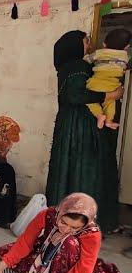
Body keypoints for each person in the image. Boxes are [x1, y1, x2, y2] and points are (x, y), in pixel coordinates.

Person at [0, 193, 124, 273]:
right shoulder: (47, 215)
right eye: (63, 222)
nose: (66, 229)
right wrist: (3, 265)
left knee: (69, 242)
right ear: (60, 212)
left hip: (69, 268)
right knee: (7, 254)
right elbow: (26, 242)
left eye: (75, 228)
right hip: (45, 255)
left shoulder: (91, 234)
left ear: (84, 225)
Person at [46, 30, 124, 233]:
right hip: (80, 126)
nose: (89, 46)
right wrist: (111, 94)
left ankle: (66, 220)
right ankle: (84, 224)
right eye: (86, 41)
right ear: (75, 45)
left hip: (70, 126)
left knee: (69, 169)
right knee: (85, 171)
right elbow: (75, 95)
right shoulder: (79, 66)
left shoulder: (65, 68)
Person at [83, 28, 131, 129]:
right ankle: (109, 121)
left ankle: (99, 115)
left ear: (104, 44)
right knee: (110, 102)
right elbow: (125, 69)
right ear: (126, 47)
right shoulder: (125, 57)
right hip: (113, 84)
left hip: (98, 82)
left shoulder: (99, 53)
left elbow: (86, 60)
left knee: (89, 99)